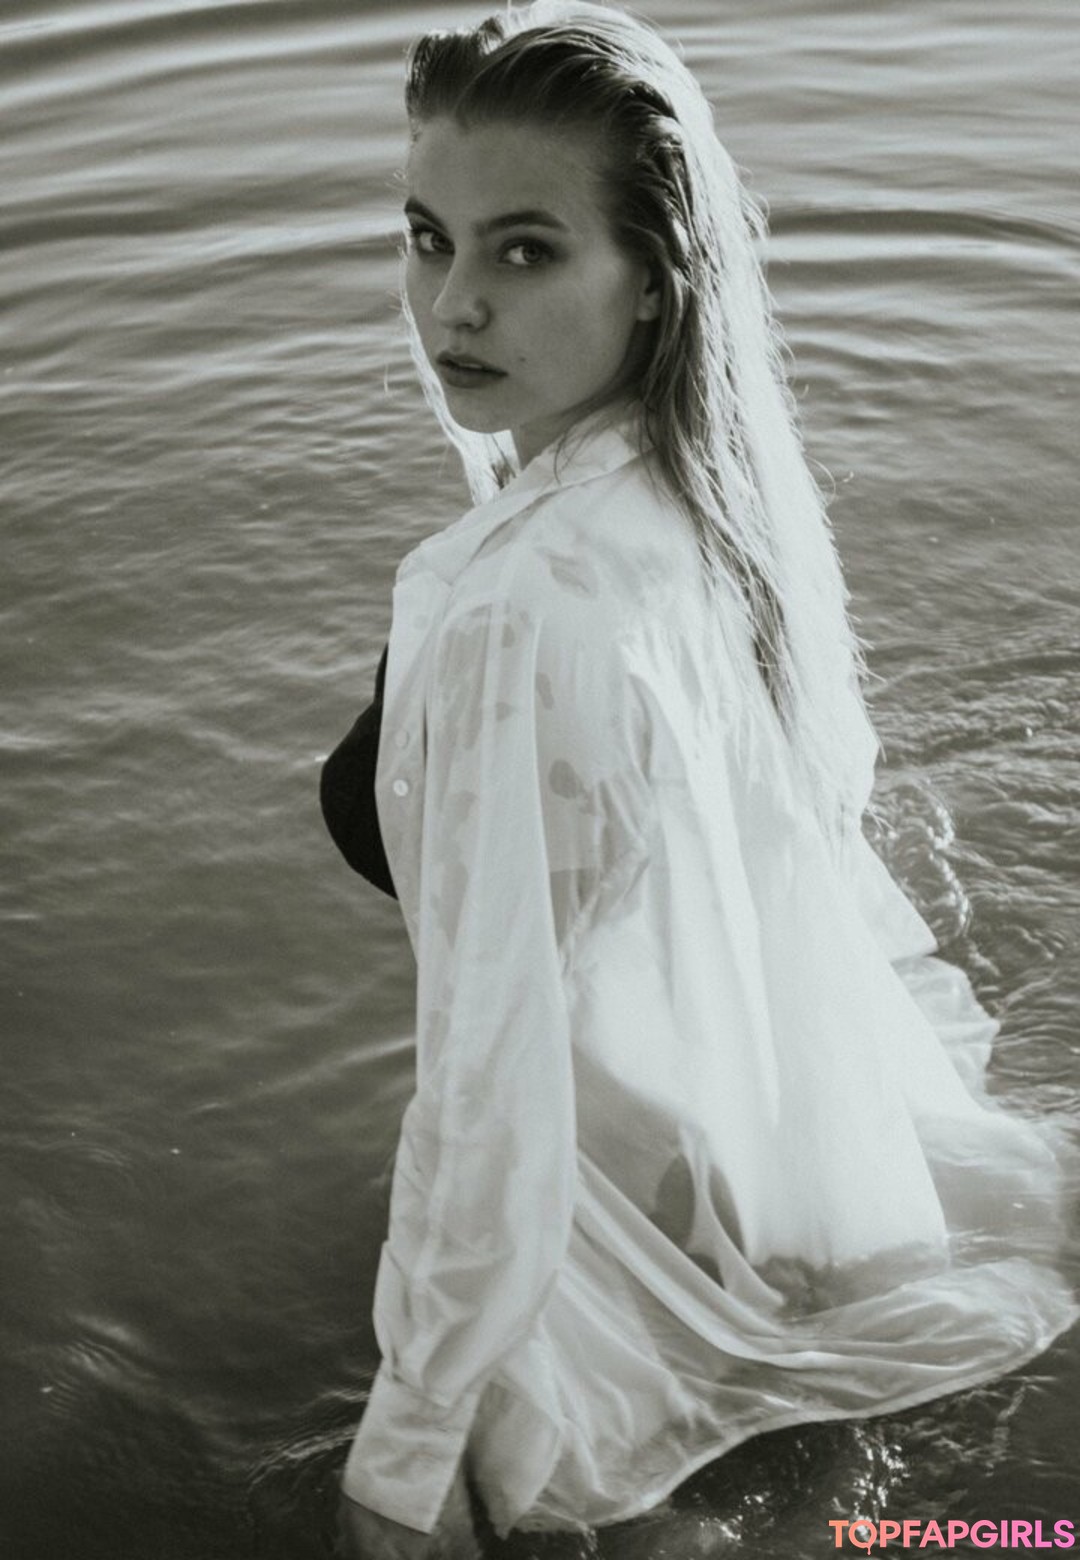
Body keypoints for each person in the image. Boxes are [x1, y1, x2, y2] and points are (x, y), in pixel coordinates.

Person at [321, 3, 1078, 1553]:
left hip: (583, 1233)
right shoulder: (702, 504)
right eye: (426, 237)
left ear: (656, 278)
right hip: (734, 1163)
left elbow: (490, 1068)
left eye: (526, 250)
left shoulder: (511, 605)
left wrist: (406, 1447)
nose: (452, 304)